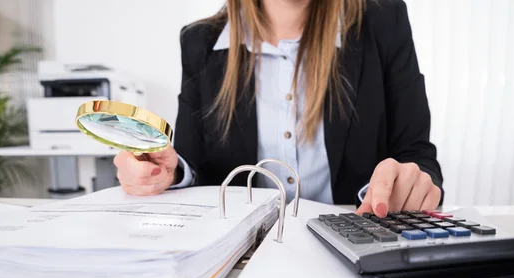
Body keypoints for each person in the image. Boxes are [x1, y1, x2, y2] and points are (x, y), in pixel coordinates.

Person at [113, 0, 443, 218]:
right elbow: (193, 165)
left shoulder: (382, 21)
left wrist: (404, 185)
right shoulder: (200, 42)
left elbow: (416, 155)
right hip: (241, 257)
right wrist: (165, 173)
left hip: (356, 244)